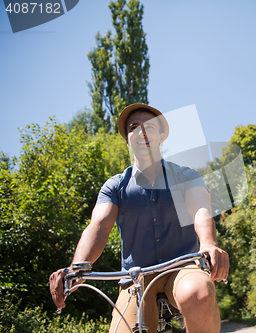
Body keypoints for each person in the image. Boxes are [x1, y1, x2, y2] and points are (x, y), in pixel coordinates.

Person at [49, 103, 229, 333]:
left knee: (199, 293)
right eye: (134, 127)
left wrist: (208, 243)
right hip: (136, 277)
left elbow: (200, 209)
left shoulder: (186, 176)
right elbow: (99, 226)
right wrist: (77, 267)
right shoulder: (115, 186)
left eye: (150, 127)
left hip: (182, 268)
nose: (142, 132)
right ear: (127, 139)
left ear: (162, 136)